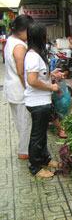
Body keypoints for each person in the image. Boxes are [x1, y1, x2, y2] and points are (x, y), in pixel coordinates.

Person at [24, 22, 64, 178]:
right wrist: (51, 87)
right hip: (37, 103)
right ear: (40, 36)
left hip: (42, 102)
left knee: (42, 135)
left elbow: (38, 75)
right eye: (45, 34)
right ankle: (35, 167)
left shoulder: (36, 53)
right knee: (37, 136)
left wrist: (51, 74)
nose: (46, 36)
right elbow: (32, 80)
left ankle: (45, 159)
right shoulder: (33, 56)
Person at [3, 14, 34, 160]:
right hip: (20, 90)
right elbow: (21, 72)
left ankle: (24, 148)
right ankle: (25, 152)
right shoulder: (20, 46)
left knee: (20, 122)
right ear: (24, 30)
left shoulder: (10, 40)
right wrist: (29, 90)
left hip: (11, 89)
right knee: (26, 123)